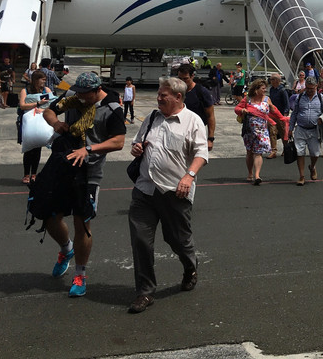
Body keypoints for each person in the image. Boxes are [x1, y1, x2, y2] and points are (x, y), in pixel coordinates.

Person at [126, 76, 208, 314]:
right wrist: (136, 148)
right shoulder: (152, 117)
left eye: (163, 95)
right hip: (144, 189)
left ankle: (189, 267)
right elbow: (137, 142)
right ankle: (145, 292)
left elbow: (201, 153)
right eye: (159, 94)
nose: (158, 98)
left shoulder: (193, 121)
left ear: (178, 97)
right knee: (141, 240)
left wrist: (189, 176)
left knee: (178, 240)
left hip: (175, 192)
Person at [41, 71, 127, 297]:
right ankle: (65, 249)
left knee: (82, 222)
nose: (79, 97)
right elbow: (49, 110)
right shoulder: (73, 95)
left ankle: (80, 274)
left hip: (89, 171)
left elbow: (118, 141)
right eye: (77, 92)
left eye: (84, 94)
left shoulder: (111, 107)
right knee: (48, 214)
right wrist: (56, 123)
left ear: (96, 90)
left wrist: (88, 149)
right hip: (63, 165)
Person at [234, 79, 287, 184]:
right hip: (249, 130)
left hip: (262, 130)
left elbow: (274, 110)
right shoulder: (248, 98)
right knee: (250, 152)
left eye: (265, 88)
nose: (264, 90)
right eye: (262, 89)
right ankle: (250, 173)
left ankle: (257, 175)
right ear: (256, 89)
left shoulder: (267, 99)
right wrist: (242, 110)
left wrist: (282, 118)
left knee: (258, 152)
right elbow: (237, 108)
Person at [288, 76, 323, 186]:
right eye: (307, 88)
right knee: (300, 152)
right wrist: (290, 128)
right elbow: (294, 113)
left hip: (314, 130)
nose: (309, 90)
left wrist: (322, 119)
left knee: (315, 153)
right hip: (300, 129)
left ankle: (312, 166)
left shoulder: (320, 97)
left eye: (312, 88)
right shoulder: (299, 97)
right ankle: (301, 176)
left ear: (316, 87)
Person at [18, 70, 53, 184]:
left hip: (41, 120)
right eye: (42, 79)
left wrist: (42, 109)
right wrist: (37, 104)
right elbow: (22, 105)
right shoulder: (25, 90)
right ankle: (26, 174)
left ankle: (34, 173)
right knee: (28, 148)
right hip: (28, 120)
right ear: (36, 80)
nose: (44, 81)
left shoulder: (46, 90)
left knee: (37, 148)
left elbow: (52, 104)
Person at [176, 63, 215, 151]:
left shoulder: (201, 92)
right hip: (177, 132)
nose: (182, 81)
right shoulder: (176, 91)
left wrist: (210, 138)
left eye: (186, 79)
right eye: (180, 79)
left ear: (192, 76)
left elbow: (210, 116)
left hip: (196, 133)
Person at [266, 73, 290, 158]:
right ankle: (273, 151)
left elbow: (287, 104)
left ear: (276, 80)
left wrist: (285, 115)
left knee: (283, 133)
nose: (270, 81)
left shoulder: (282, 90)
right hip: (272, 115)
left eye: (272, 79)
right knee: (272, 132)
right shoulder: (271, 90)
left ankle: (286, 149)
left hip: (280, 115)